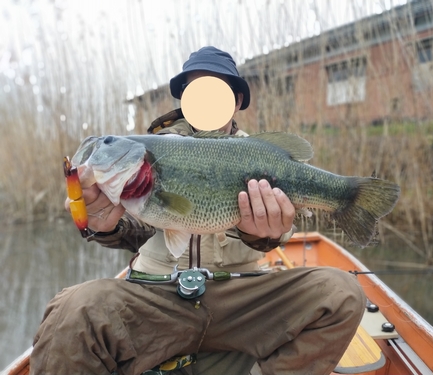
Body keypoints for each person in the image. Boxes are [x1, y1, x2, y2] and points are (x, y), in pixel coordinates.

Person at [30, 46, 365, 375]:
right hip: (158, 296)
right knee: (70, 313)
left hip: (241, 300)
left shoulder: (261, 154)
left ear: (236, 101)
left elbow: (275, 237)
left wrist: (265, 234)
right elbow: (137, 231)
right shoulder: (147, 155)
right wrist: (105, 225)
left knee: (341, 294)